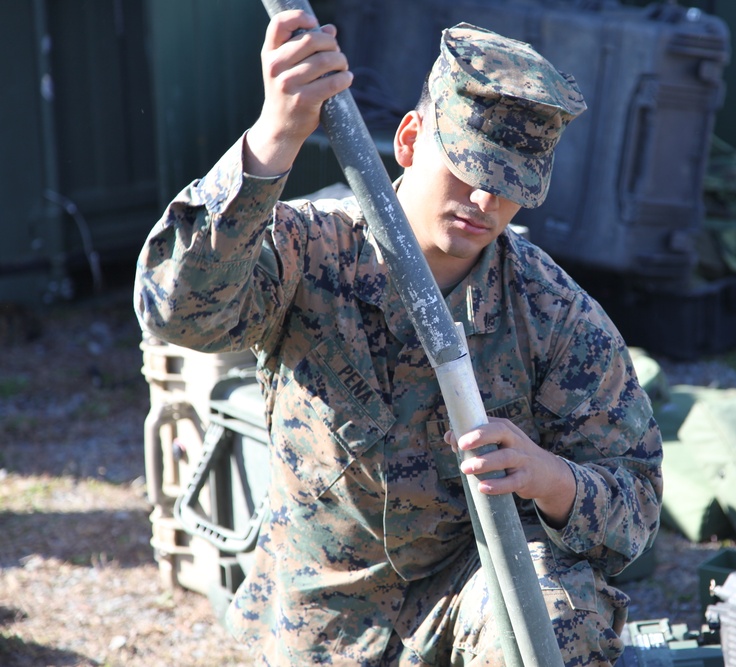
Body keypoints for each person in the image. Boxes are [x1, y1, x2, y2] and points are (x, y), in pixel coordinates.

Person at [134, 9, 662, 666]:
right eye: (466, 169)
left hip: (467, 589)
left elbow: (635, 498)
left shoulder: (552, 313)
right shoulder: (314, 249)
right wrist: (275, 136)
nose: (483, 203)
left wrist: (548, 476)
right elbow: (174, 310)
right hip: (324, 613)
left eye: (508, 188)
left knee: (562, 617)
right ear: (410, 141)